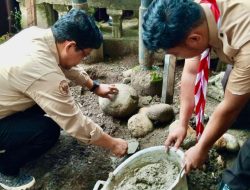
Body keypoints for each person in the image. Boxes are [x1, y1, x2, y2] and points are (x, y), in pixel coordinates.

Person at [0, 9, 128, 190]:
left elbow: (63, 64)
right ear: (70, 46)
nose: (82, 60)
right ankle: (6, 168)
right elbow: (74, 122)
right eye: (84, 55)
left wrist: (94, 86)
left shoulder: (37, 35)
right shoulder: (39, 69)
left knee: (45, 109)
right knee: (48, 131)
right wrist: (112, 143)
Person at [142, 0, 250, 189]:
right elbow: (192, 73)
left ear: (194, 39)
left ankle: (236, 182)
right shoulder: (195, 11)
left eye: (176, 53)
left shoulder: (245, 44)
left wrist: (201, 148)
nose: (178, 57)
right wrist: (182, 124)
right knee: (229, 83)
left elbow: (228, 109)